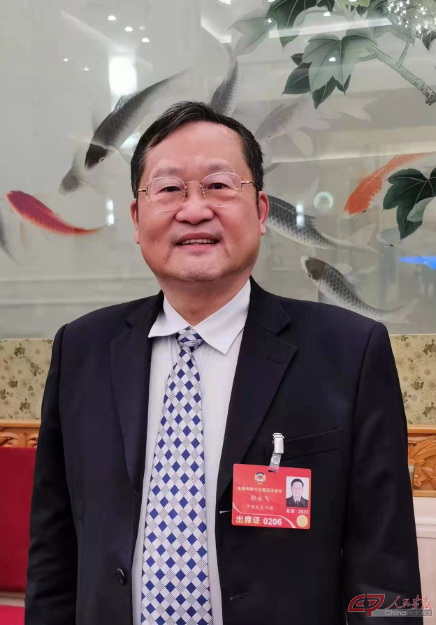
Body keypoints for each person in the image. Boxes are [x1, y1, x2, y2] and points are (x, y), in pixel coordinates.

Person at [26, 101, 422, 625]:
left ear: (260, 211)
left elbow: (387, 570)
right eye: (169, 189)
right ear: (137, 218)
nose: (194, 210)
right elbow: (54, 550)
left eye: (218, 185)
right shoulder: (82, 349)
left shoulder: (350, 352)